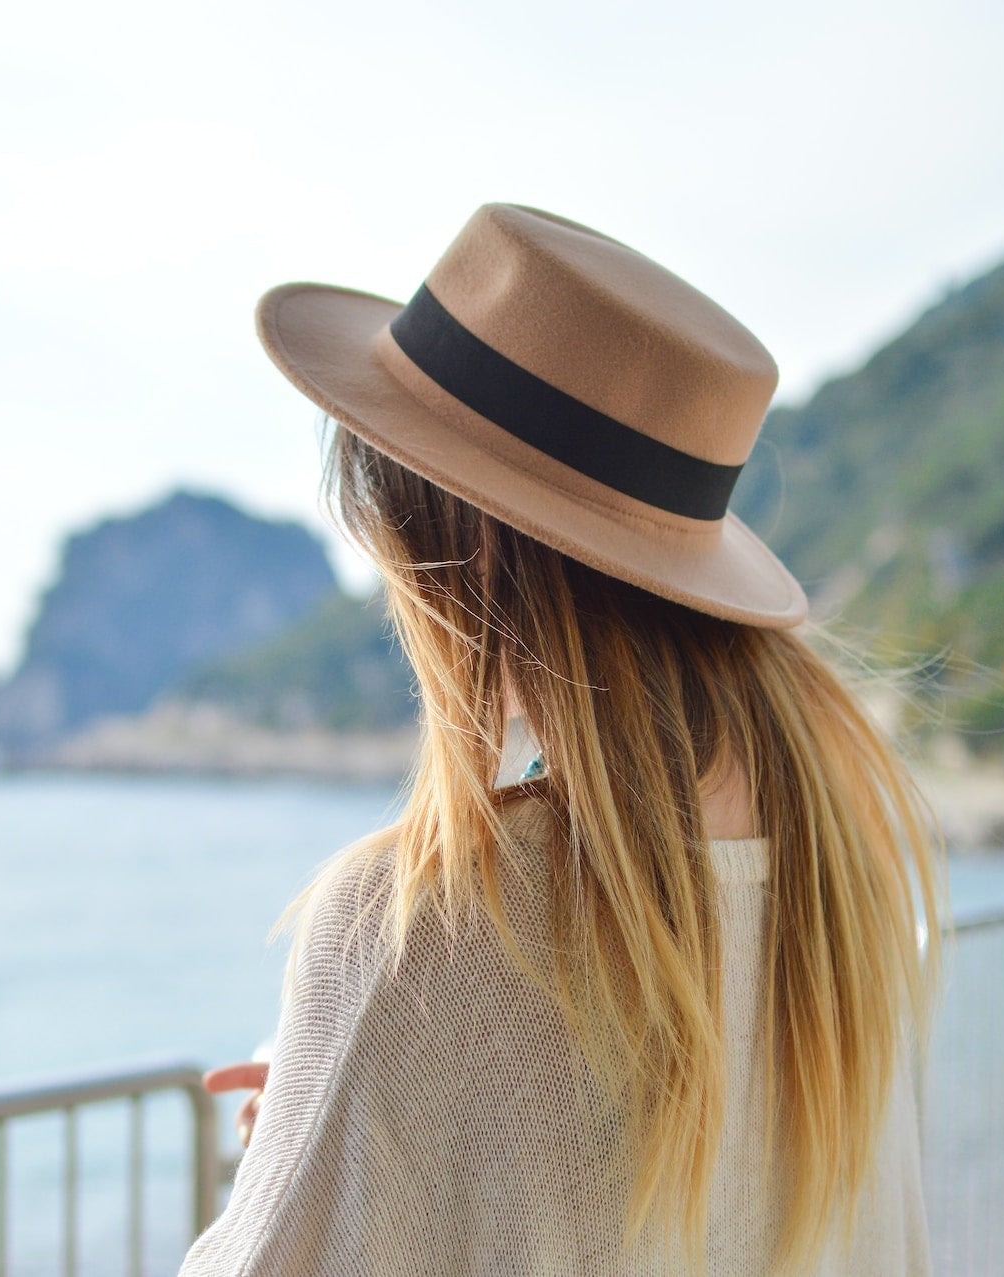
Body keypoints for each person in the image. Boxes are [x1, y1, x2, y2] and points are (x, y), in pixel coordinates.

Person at [178, 204, 948, 1276]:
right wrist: (346, 1118)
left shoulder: (417, 929)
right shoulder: (846, 876)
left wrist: (305, 1141)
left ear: (459, 553)